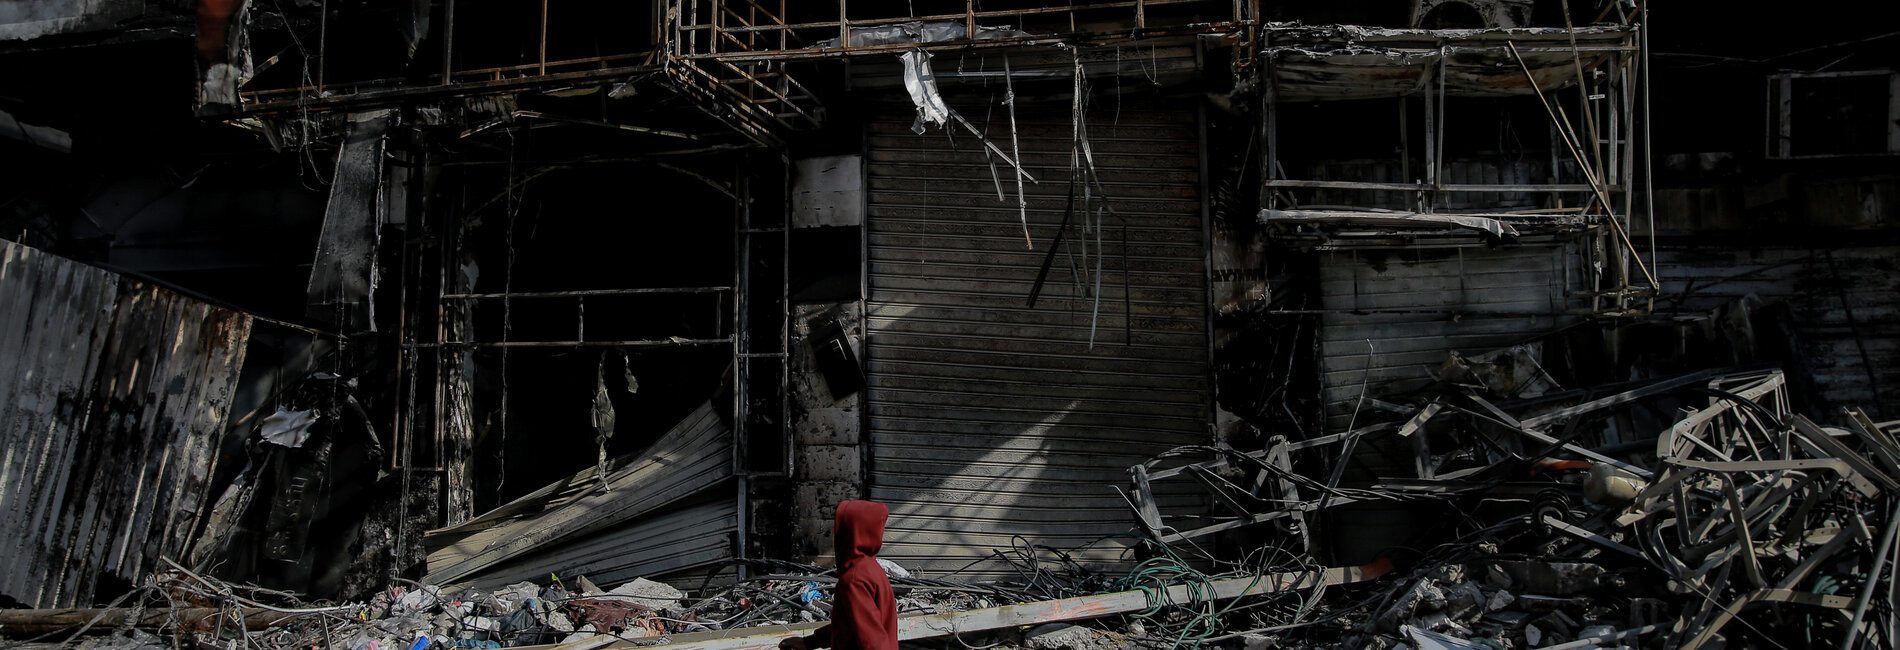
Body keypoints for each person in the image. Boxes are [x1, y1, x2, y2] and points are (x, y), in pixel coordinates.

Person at [779, 501, 898, 650]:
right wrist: (809, 642)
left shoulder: (855, 579)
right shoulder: (871, 569)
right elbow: (848, 627)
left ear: (849, 533)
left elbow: (873, 642)